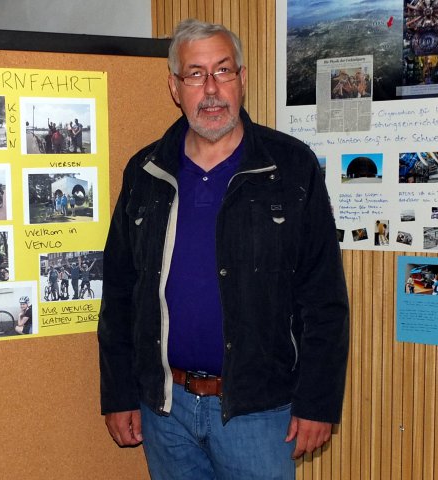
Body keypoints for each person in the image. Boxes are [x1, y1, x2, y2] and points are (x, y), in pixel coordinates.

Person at [97, 19, 349, 480]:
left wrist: (318, 402)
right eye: (195, 74)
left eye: (223, 70)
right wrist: (118, 393)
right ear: (174, 87)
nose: (211, 89)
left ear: (242, 78)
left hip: (259, 413)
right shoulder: (145, 172)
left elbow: (324, 298)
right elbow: (118, 293)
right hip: (166, 411)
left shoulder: (291, 167)